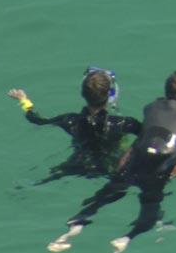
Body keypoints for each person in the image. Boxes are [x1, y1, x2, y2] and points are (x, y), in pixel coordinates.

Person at [48, 69, 176, 253]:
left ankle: (75, 227)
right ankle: (126, 238)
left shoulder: (152, 108)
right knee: (148, 211)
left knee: (105, 195)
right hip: (156, 172)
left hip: (133, 163)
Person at [7, 69, 140, 183]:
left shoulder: (70, 120)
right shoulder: (124, 123)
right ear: (109, 95)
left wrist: (24, 100)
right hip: (110, 168)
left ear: (83, 94)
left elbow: (36, 120)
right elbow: (149, 133)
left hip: (77, 164)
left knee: (47, 178)